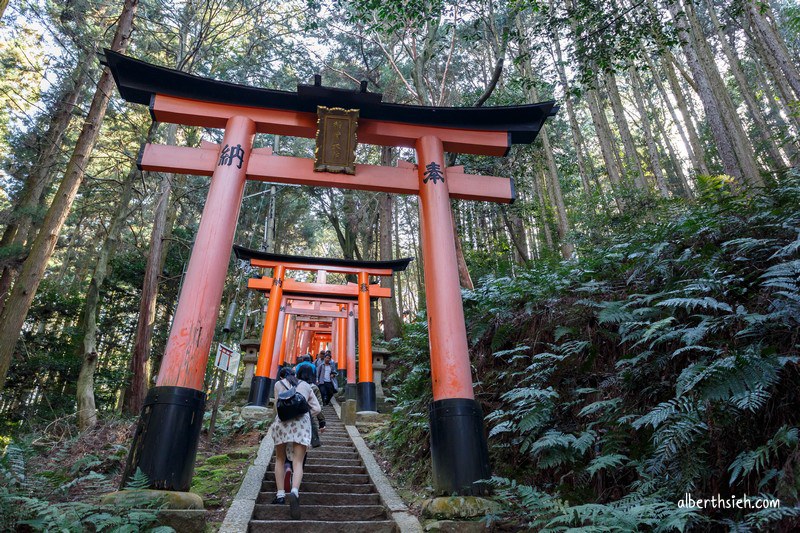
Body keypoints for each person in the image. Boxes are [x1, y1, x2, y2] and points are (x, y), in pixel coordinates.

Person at [270, 366, 321, 519]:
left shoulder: (279, 384)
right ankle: (294, 492)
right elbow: (317, 408)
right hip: (301, 425)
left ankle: (280, 495)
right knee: (297, 462)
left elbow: (277, 407)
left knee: (279, 459)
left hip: (282, 423)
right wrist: (303, 414)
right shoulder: (306, 386)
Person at [296, 360, 325, 446]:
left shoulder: (291, 385)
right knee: (303, 445)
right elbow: (318, 407)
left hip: (289, 418)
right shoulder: (313, 387)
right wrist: (322, 421)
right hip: (306, 417)